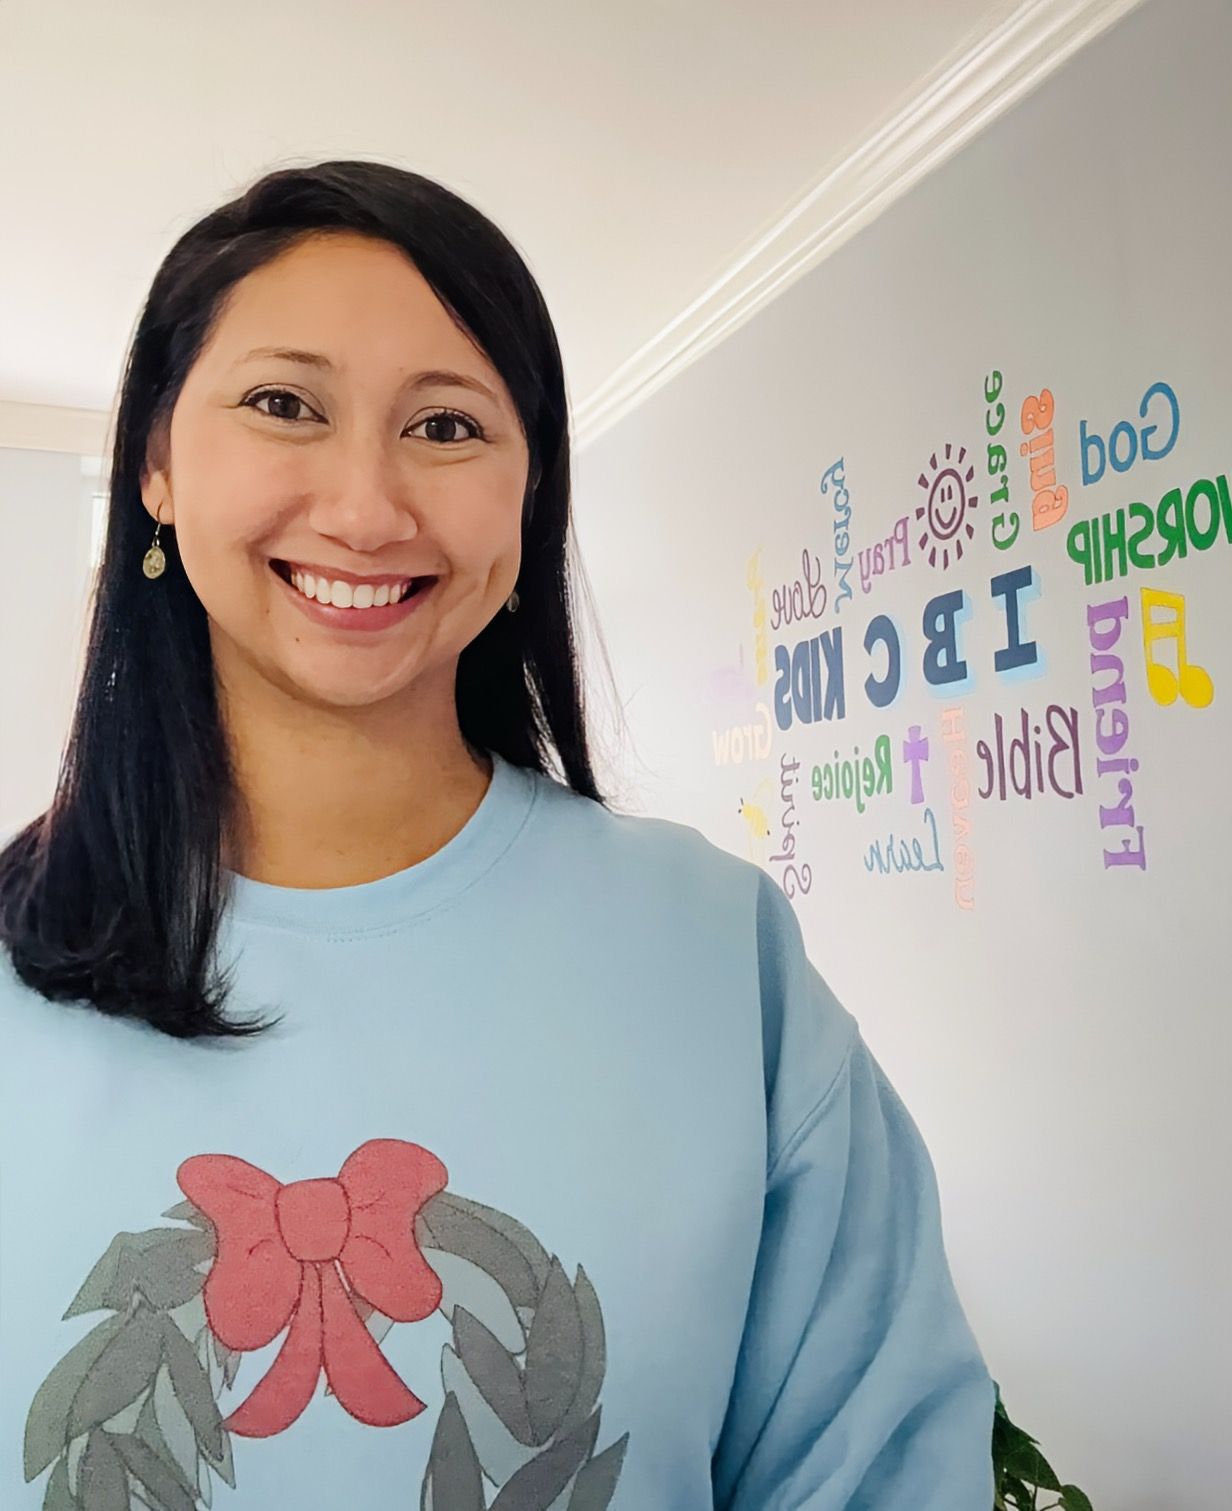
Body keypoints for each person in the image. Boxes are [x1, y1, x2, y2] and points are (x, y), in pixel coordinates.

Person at [0, 159, 995, 1510]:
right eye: (284, 404)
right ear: (157, 466)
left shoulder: (711, 952)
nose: (364, 506)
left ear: (529, 505)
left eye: (449, 427)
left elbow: (876, 1468)